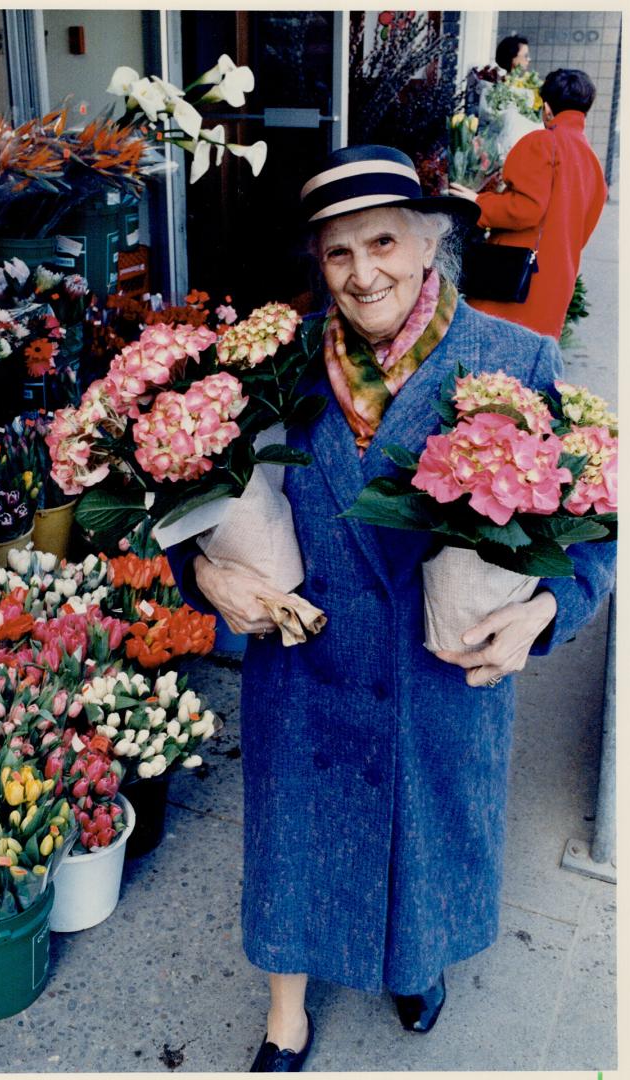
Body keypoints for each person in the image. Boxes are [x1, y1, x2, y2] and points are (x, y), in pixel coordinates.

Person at [167, 145, 615, 1071]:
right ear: (317, 264)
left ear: (428, 245)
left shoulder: (512, 359)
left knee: (424, 837)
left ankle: (416, 962)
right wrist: (204, 579)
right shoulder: (271, 365)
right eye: (337, 253)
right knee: (292, 844)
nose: (362, 272)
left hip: (436, 675)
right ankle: (285, 1013)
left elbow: (595, 525)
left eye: (382, 243)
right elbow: (191, 501)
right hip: (305, 665)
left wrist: (542, 616)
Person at [450, 69, 607, 339]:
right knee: (529, 363)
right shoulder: (592, 162)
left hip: (516, 274)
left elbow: (526, 209)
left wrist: (478, 202)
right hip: (558, 277)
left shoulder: (542, 142)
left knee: (486, 352)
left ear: (546, 108)